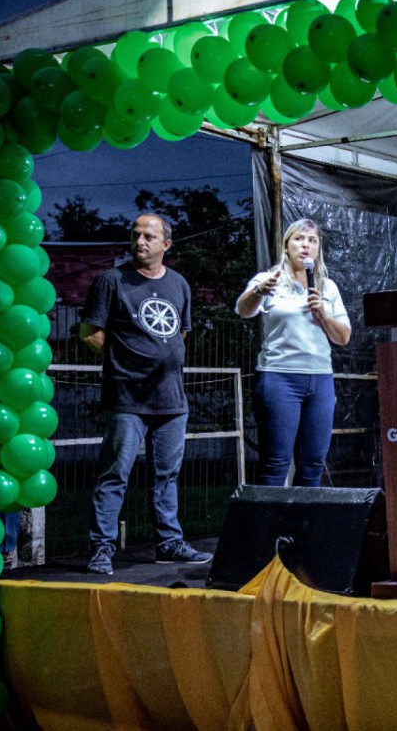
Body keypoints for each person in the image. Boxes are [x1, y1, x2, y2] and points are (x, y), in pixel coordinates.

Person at [80, 214, 209, 575]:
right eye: (136, 235)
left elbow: (179, 333)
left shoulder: (179, 284)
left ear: (166, 244)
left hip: (171, 400)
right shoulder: (111, 280)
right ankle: (102, 548)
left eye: (149, 237)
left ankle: (168, 543)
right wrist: (125, 362)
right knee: (114, 474)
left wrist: (159, 358)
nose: (140, 242)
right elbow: (89, 332)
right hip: (127, 399)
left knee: (167, 475)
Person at [236, 218, 352, 487]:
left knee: (312, 463)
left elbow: (343, 337)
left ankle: (302, 528)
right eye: (299, 238)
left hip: (320, 379)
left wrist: (322, 314)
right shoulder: (269, 279)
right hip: (279, 378)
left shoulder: (327, 287)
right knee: (276, 462)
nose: (305, 245)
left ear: (318, 249)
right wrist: (258, 291)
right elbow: (243, 310)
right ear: (286, 245)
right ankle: (270, 529)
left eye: (312, 240)